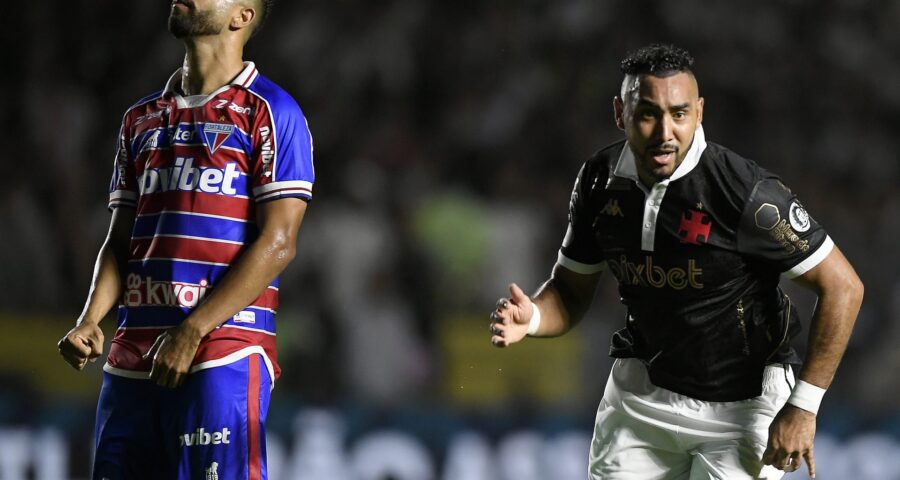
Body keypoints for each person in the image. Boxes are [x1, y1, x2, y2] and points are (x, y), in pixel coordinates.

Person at [489, 43, 863, 479]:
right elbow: (571, 291)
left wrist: (803, 407)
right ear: (619, 112)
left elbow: (843, 286)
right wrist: (532, 316)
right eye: (648, 113)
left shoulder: (744, 192)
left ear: (699, 112)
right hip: (640, 400)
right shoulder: (598, 181)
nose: (665, 131)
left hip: (741, 408)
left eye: (680, 114)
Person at [56, 0, 314, 478]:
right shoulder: (140, 118)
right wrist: (91, 319)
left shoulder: (272, 112)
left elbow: (280, 242)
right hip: (134, 353)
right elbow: (120, 240)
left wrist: (193, 330)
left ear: (242, 16)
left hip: (223, 350)